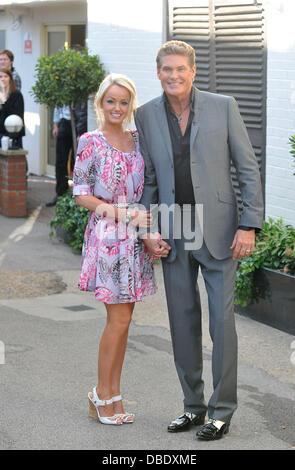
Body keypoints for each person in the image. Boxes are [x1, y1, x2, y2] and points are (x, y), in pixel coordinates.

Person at [135, 40, 264, 441]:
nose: (173, 76)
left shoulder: (223, 106)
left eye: (180, 69)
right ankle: (193, 406)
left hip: (221, 229)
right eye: (166, 69)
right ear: (158, 72)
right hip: (174, 227)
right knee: (181, 322)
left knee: (223, 323)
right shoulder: (146, 115)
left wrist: (249, 225)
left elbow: (247, 168)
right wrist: (148, 230)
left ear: (193, 72)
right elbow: (151, 180)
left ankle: (221, 411)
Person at [73, 73, 157, 425]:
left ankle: (112, 394)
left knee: (125, 322)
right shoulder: (89, 141)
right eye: (111, 101)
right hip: (108, 236)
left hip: (135, 239)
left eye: (124, 102)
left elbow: (150, 184)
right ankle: (101, 393)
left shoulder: (139, 140)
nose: (117, 108)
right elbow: (81, 193)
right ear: (100, 104)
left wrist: (147, 226)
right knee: (117, 319)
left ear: (131, 105)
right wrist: (119, 213)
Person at [0, 68, 25, 148]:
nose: (2, 79)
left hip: (12, 134)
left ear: (10, 79)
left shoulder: (16, 95)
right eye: (0, 77)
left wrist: (4, 101)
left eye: (5, 76)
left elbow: (16, 115)